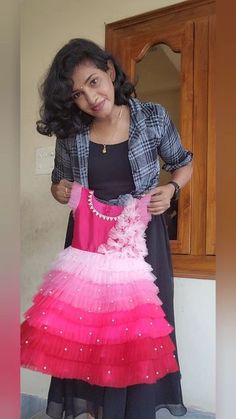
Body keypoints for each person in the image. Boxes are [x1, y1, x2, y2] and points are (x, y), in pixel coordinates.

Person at [24, 38, 193, 419]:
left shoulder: (152, 116)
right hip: (89, 244)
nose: (91, 98)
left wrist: (172, 188)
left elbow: (184, 163)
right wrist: (59, 189)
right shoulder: (72, 134)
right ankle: (99, 412)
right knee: (88, 335)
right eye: (78, 95)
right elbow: (58, 181)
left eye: (94, 82)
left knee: (135, 337)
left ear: (111, 72)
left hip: (142, 241)